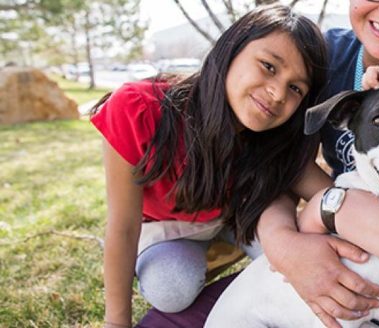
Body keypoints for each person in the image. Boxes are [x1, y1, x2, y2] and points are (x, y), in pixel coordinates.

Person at [140, 1, 379, 327]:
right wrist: (284, 244)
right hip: (341, 245)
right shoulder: (320, 61)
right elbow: (271, 164)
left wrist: (329, 205)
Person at [90, 4, 344, 327]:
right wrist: (117, 322)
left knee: (295, 266)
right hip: (169, 230)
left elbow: (331, 195)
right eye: (268, 66)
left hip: (239, 219)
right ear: (232, 47)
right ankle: (210, 257)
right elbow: (123, 228)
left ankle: (236, 256)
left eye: (296, 88)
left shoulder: (277, 139)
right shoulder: (139, 109)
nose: (278, 92)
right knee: (171, 287)